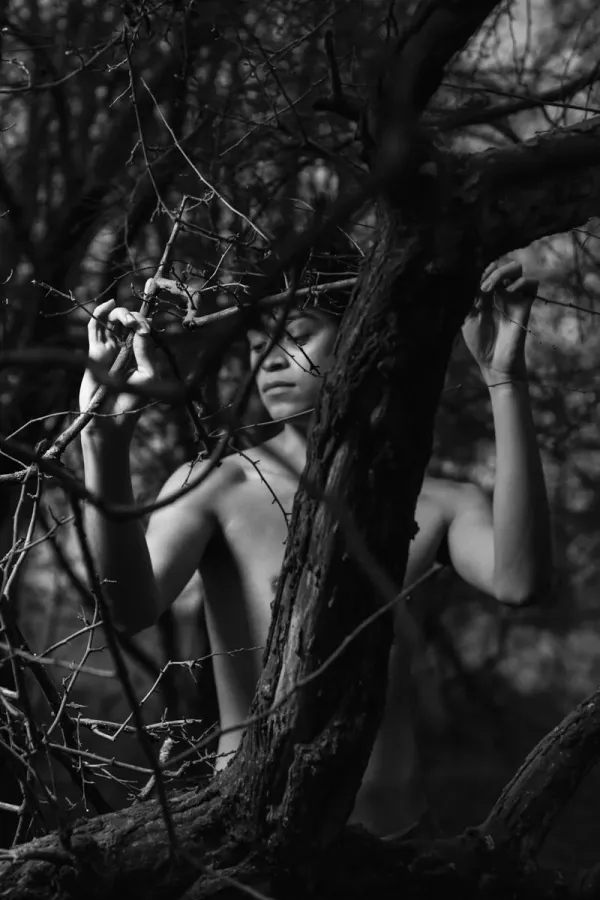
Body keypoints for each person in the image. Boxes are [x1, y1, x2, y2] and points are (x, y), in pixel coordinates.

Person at [79, 256, 552, 841]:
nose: (271, 359)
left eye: (297, 336)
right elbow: (128, 610)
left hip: (396, 843)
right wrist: (102, 440)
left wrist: (505, 376)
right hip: (252, 846)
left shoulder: (437, 500)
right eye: (257, 345)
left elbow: (519, 581)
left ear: (364, 336)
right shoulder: (219, 484)